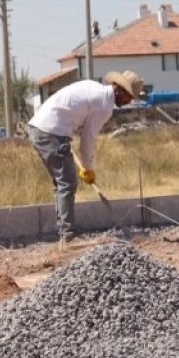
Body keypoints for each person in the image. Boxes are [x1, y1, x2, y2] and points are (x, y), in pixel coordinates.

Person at [27, 70, 147, 240]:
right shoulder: (104, 105)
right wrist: (89, 169)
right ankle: (67, 235)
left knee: (63, 183)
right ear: (120, 90)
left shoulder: (92, 86)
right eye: (129, 97)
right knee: (67, 183)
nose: (129, 102)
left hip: (42, 127)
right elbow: (88, 140)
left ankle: (65, 230)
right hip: (50, 132)